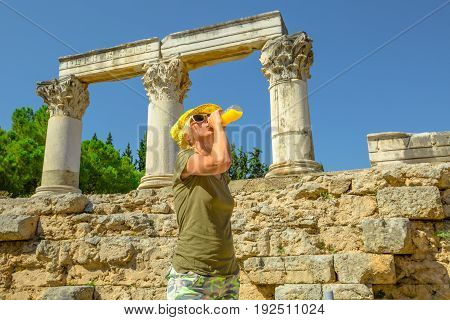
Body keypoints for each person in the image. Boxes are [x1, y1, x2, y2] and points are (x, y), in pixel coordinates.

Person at [165, 103, 240, 300]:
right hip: (192, 276)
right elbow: (221, 161)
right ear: (187, 136)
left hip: (228, 276)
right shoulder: (185, 158)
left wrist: (219, 130)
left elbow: (222, 162)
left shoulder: (222, 177)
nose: (206, 119)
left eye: (209, 116)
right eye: (198, 118)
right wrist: (219, 126)